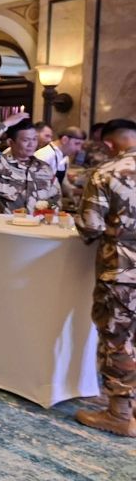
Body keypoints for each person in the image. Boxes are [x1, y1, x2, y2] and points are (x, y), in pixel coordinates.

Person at [74, 118, 136, 438]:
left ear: (110, 143)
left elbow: (90, 226)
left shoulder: (106, 172)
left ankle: (119, 414)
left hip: (121, 271)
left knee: (118, 338)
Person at [0, 112, 61, 214]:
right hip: (2, 223)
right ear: (11, 142)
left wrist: (48, 212)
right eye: (26, 140)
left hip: (35, 223)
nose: (31, 144)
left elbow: (55, 199)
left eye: (34, 139)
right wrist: (5, 124)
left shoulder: (44, 168)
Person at [35, 126, 86, 204]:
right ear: (64, 140)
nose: (78, 149)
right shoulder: (44, 156)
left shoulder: (65, 157)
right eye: (76, 144)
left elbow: (63, 182)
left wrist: (73, 194)